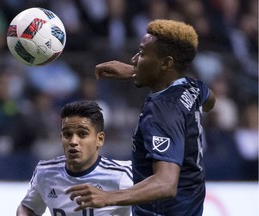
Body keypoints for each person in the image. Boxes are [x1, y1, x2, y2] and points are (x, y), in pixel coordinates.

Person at [66, 19, 216, 216]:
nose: (134, 59)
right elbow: (211, 100)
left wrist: (108, 197)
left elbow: (165, 183)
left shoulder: (162, 112)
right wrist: (138, 72)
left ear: (166, 63)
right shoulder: (192, 86)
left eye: (143, 53)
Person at [16, 100, 133, 216]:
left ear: (100, 139)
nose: (73, 142)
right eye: (67, 134)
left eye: (82, 134)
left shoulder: (122, 175)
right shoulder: (46, 172)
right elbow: (27, 208)